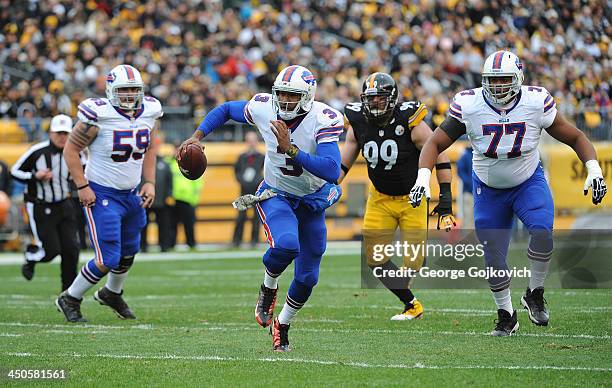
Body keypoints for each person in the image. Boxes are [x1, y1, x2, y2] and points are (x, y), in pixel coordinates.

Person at [409, 50, 607, 336]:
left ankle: (534, 293)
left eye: (504, 80)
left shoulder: (535, 101)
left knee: (542, 231)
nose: (498, 86)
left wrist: (594, 169)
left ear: (518, 79)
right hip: (488, 187)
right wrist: (422, 178)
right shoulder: (470, 104)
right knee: (493, 254)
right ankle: (506, 315)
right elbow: (433, 143)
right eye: (493, 80)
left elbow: (575, 136)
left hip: (528, 180)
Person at [180, 65, 342, 352]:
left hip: (311, 200)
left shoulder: (323, 118)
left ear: (307, 96)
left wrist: (290, 148)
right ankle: (269, 286)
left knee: (308, 277)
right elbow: (227, 109)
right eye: (282, 95)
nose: (286, 101)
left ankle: (283, 324)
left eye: (293, 96)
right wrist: (198, 136)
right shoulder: (265, 107)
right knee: (287, 245)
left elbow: (331, 169)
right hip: (276, 193)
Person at [340, 72, 455, 321]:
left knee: (412, 264)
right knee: (375, 258)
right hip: (380, 198)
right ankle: (411, 305)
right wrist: (325, 189)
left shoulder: (411, 121)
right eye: (369, 99)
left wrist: (445, 198)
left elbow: (440, 155)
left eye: (380, 99)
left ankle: (410, 278)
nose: (374, 104)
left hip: (411, 198)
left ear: (392, 99)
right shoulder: (358, 121)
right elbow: (342, 167)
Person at [55, 64, 162, 322]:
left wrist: (149, 181)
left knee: (130, 249)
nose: (128, 96)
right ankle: (70, 297)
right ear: (111, 90)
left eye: (133, 90)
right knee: (108, 257)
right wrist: (82, 186)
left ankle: (112, 293)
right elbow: (70, 151)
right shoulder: (97, 115)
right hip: (102, 193)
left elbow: (149, 148)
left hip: (131, 192)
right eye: (123, 90)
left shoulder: (149, 111)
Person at [10, 114, 83, 291]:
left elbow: (87, 170)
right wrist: (35, 176)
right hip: (41, 205)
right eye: (58, 133)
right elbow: (14, 171)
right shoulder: (38, 151)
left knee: (72, 250)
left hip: (64, 204)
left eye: (66, 133)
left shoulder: (76, 152)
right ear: (50, 133)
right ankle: (31, 256)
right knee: (51, 251)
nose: (62, 137)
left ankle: (68, 294)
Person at [232, 131, 265, 248]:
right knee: (240, 217)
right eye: (249, 140)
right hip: (244, 190)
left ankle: (254, 240)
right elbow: (236, 172)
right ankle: (236, 241)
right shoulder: (242, 157)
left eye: (253, 140)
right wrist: (242, 180)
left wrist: (257, 180)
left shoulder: (262, 157)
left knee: (256, 218)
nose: (251, 143)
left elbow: (265, 173)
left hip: (257, 192)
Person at [140, 139, 173, 252]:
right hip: (145, 199)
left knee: (163, 225)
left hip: (161, 200)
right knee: (143, 224)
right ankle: (142, 246)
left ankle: (164, 245)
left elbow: (169, 181)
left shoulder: (164, 163)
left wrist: (169, 196)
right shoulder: (141, 162)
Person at [168, 150, 202, 250]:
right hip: (174, 198)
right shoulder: (170, 163)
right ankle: (171, 244)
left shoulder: (190, 163)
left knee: (189, 224)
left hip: (188, 199)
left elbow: (198, 183)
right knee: (172, 224)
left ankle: (191, 244)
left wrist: (194, 200)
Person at [456, 146, 474, 229]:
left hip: (479, 193)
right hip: (469, 192)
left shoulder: (480, 155)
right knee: (468, 217)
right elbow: (460, 172)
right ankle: (469, 240)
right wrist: (470, 184)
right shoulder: (466, 156)